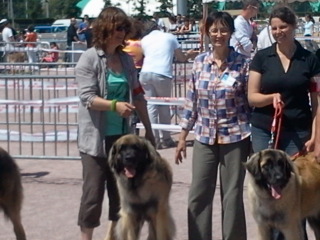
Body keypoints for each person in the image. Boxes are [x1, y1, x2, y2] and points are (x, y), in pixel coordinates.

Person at [76, 7, 155, 240]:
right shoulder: (89, 58)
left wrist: (149, 131)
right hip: (96, 141)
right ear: (104, 28)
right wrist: (114, 105)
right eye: (117, 27)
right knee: (92, 196)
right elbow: (87, 98)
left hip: (123, 141)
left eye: (124, 27)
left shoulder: (126, 60)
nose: (121, 32)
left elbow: (138, 95)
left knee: (122, 196)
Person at [175, 11, 252, 240]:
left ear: (230, 32)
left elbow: (250, 104)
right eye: (214, 30)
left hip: (236, 136)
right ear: (208, 32)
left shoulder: (243, 64)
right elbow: (192, 102)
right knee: (198, 194)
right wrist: (182, 137)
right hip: (204, 137)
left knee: (232, 196)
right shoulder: (199, 63)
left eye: (223, 29)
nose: (219, 35)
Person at [247, 5, 320, 240]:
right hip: (264, 132)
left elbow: (317, 102)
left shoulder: (309, 58)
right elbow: (252, 97)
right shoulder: (262, 57)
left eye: (284, 27)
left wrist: (317, 137)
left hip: (298, 134)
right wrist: (271, 97)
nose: (279, 32)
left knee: (296, 200)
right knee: (269, 194)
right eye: (274, 28)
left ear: (294, 26)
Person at [139, 20, 197, 149]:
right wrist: (190, 54)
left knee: (151, 106)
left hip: (145, 72)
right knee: (164, 106)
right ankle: (166, 138)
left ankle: (153, 138)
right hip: (163, 73)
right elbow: (181, 58)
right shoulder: (170, 37)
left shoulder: (144, 40)